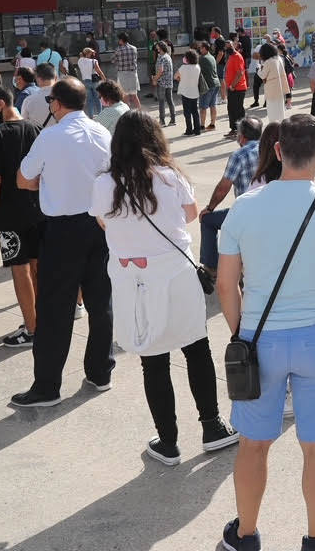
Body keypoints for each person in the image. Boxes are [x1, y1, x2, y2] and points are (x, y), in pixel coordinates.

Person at [216, 114, 315, 551]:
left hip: (260, 337)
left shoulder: (244, 206)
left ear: (278, 151)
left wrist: (241, 333)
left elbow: (227, 284)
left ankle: (245, 535)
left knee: (253, 443)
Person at [91, 111, 239, 464]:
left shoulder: (104, 183)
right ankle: (212, 425)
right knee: (196, 348)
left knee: (152, 360)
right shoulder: (171, 177)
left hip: (132, 280)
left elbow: (102, 221)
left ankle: (169, 441)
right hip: (175, 274)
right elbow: (190, 214)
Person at [9, 77, 114, 408]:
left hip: (63, 229)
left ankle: (47, 387)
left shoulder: (50, 136)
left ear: (56, 104)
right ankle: (100, 372)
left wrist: (47, 181)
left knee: (55, 308)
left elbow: (24, 179)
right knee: (101, 302)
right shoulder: (101, 132)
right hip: (99, 225)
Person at [0, 83, 42, 348]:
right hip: (38, 208)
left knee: (20, 269)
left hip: (9, 210)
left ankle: (31, 328)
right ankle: (40, 320)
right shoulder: (35, 129)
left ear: (0, 103)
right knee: (37, 267)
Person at [197, 117, 262, 283]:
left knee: (207, 220)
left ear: (242, 136)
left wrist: (209, 208)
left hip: (245, 213)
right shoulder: (269, 150)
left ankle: (211, 268)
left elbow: (223, 188)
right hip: (267, 210)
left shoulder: (239, 155)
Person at [258, 42, 289, 123]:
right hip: (280, 87)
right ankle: (281, 129)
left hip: (271, 89)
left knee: (272, 113)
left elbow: (262, 75)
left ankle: (274, 130)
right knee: (280, 110)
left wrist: (258, 68)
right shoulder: (279, 59)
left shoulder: (268, 62)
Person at [224, 40, 249, 139]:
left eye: (229, 46)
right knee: (231, 109)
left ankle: (242, 131)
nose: (227, 48)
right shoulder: (230, 56)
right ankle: (234, 129)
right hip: (232, 88)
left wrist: (232, 86)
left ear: (233, 46)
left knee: (238, 110)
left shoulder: (237, 56)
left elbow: (240, 73)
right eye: (226, 47)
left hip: (238, 88)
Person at [175, 50, 204, 135]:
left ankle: (189, 130)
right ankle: (197, 130)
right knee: (195, 111)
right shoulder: (198, 67)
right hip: (195, 92)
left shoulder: (183, 67)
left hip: (185, 92)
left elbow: (175, 76)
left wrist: (181, 80)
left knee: (187, 113)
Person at [112, 32, 142, 110]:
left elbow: (113, 60)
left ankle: (127, 112)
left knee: (125, 95)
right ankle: (140, 110)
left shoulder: (118, 50)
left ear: (121, 40)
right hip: (133, 74)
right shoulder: (134, 48)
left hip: (122, 74)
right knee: (134, 95)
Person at [22, 62, 56, 127]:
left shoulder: (28, 100)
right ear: (55, 77)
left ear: (37, 78)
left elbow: (24, 125)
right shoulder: (65, 97)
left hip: (39, 136)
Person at [151, 41, 176, 126]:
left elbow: (160, 71)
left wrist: (155, 79)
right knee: (170, 100)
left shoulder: (161, 57)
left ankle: (162, 121)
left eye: (157, 47)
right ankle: (173, 120)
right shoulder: (167, 56)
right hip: (169, 82)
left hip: (162, 82)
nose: (156, 48)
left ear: (160, 48)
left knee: (161, 102)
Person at [197, 41, 220, 131]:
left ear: (205, 48)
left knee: (203, 107)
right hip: (216, 83)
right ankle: (212, 124)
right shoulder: (212, 57)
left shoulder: (202, 58)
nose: (199, 49)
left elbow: (197, 69)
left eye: (201, 48)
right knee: (212, 105)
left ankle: (201, 126)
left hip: (208, 85)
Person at [77, 47, 106, 117]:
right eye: (92, 53)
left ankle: (91, 116)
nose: (93, 54)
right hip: (94, 82)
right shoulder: (94, 61)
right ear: (88, 53)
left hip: (85, 82)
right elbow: (99, 71)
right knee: (97, 99)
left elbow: (81, 55)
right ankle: (100, 115)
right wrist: (104, 79)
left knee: (89, 100)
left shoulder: (80, 61)